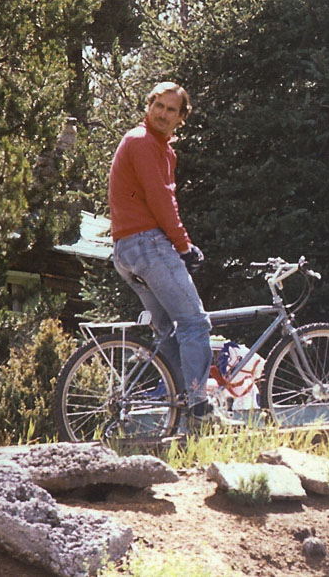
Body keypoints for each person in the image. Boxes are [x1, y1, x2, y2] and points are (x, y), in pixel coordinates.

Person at [109, 81, 228, 427]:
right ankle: (200, 408)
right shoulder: (144, 142)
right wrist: (183, 245)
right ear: (148, 106)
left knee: (169, 332)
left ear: (181, 117)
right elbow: (161, 200)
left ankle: (181, 407)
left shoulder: (155, 146)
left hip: (126, 250)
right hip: (148, 244)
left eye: (170, 109)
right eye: (158, 105)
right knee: (195, 323)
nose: (162, 113)